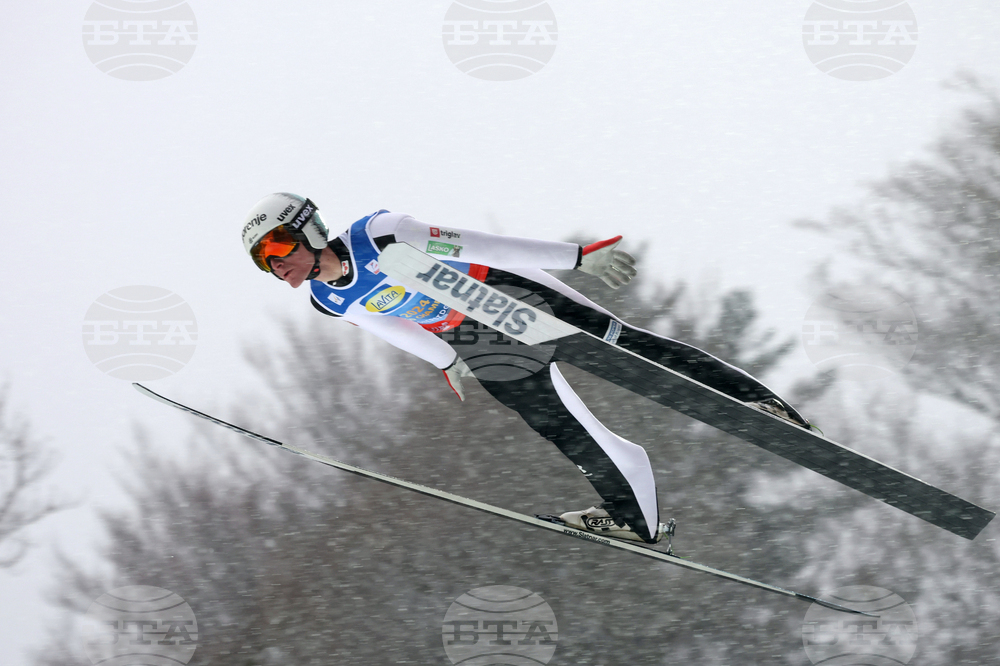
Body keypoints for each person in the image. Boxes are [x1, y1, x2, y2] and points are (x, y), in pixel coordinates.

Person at [242, 193, 811, 544]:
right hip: (471, 338)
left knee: (633, 352)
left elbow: (479, 244)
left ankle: (756, 403)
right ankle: (635, 516)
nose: (280, 268)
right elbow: (387, 325)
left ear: (307, 229)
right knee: (559, 426)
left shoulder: (380, 234)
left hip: (506, 295)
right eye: (267, 265)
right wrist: (447, 361)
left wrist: (576, 257)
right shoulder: (328, 300)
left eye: (279, 249)